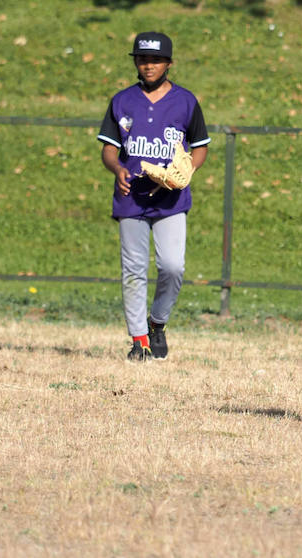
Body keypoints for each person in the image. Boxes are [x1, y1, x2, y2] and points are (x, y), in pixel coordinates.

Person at [97, 32, 210, 362]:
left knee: (173, 267)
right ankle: (139, 339)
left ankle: (157, 322)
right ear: (135, 61)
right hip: (131, 195)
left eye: (156, 60)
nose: (149, 65)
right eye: (143, 59)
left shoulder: (186, 101)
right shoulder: (122, 101)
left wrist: (187, 169)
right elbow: (109, 149)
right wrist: (116, 169)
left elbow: (199, 147)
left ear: (169, 64)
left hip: (171, 198)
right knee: (133, 269)